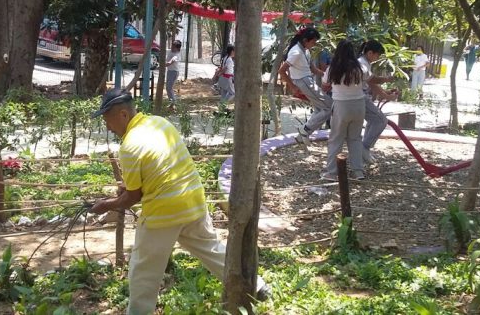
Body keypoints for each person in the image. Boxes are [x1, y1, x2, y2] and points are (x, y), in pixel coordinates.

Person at [89, 89, 269, 314]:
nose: (108, 127)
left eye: (108, 120)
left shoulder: (129, 146)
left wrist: (104, 205)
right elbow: (160, 168)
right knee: (211, 249)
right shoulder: (160, 123)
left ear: (123, 115)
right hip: (193, 202)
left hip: (163, 215)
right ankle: (258, 286)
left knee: (143, 271)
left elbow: (133, 198)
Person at [279, 28, 332, 145]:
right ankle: (305, 130)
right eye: (313, 42)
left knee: (319, 108)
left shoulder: (305, 50)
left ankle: (300, 136)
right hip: (303, 82)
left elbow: (313, 69)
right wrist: (292, 86)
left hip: (307, 81)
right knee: (329, 106)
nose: (314, 44)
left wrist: (327, 75)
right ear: (305, 40)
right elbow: (282, 71)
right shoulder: (296, 52)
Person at [322, 40, 366, 181]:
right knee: (355, 138)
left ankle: (332, 172)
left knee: (336, 139)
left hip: (341, 105)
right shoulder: (360, 68)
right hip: (359, 104)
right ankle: (357, 171)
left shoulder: (333, 69)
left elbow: (325, 85)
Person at [360, 40, 397, 165]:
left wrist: (385, 93)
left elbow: (372, 83)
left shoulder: (364, 63)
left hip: (361, 96)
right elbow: (374, 80)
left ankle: (364, 148)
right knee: (381, 121)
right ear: (370, 53)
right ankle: (364, 148)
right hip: (360, 97)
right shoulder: (362, 64)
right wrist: (387, 79)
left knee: (374, 120)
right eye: (377, 55)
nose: (378, 58)